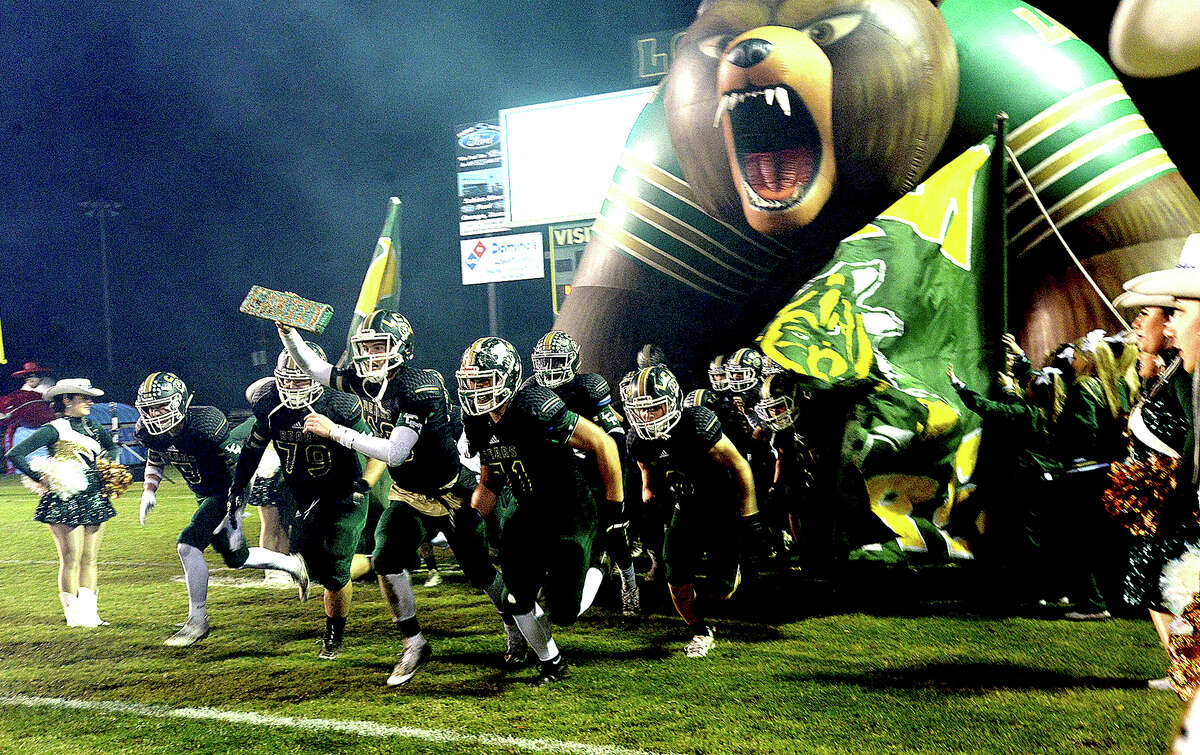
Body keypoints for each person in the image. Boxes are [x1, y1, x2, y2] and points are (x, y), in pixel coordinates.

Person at [278, 313, 525, 686]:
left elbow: (394, 452)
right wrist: (289, 334)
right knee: (387, 559)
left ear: (402, 349)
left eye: (380, 346)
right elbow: (315, 368)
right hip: (408, 493)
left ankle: (515, 628)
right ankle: (414, 643)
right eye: (367, 347)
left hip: (449, 492)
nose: (371, 355)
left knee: (479, 571)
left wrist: (336, 431)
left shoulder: (419, 387)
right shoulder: (364, 381)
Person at [457, 336, 623, 685]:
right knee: (516, 594)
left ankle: (598, 565)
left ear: (508, 377)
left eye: (484, 380)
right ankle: (552, 661)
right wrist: (473, 517)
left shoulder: (534, 406)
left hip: (569, 510)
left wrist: (615, 510)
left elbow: (603, 443)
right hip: (529, 511)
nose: (475, 390)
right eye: (471, 382)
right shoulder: (478, 422)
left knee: (565, 612)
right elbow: (489, 482)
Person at [228, 341, 387, 660]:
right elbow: (253, 449)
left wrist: (365, 483)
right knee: (317, 567)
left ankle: (333, 635)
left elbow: (378, 448)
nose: (292, 387)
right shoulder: (270, 402)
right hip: (303, 495)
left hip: (344, 493)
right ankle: (373, 561)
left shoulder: (339, 404)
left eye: (301, 380)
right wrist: (238, 486)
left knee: (333, 570)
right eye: (286, 380)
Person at [133, 372, 310, 646]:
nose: (154, 415)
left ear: (180, 402)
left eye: (161, 406)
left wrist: (235, 506)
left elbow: (238, 466)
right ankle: (291, 563)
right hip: (203, 494)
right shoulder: (147, 432)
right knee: (236, 558)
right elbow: (155, 457)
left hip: (228, 489)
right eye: (149, 409)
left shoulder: (205, 423)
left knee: (188, 546)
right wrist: (148, 490)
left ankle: (197, 622)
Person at [625, 365, 763, 658]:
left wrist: (749, 514)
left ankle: (734, 575)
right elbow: (646, 467)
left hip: (721, 507)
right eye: (642, 411)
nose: (648, 417)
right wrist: (648, 492)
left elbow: (739, 465)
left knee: (723, 590)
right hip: (685, 506)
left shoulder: (696, 425)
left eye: (656, 408)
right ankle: (701, 631)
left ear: (673, 402)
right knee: (675, 576)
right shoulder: (638, 439)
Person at [1108, 289, 1191, 690]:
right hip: (1158, 500)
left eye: (1147, 314)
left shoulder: (1186, 372)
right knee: (1156, 583)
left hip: (1178, 502)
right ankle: (1182, 665)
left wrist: (1167, 484)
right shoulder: (1171, 369)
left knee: (1175, 585)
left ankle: (1188, 666)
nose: (1137, 324)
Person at [529, 330, 640, 615]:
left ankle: (629, 584)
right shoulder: (532, 389)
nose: (549, 370)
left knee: (613, 533)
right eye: (545, 362)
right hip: (559, 475)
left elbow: (614, 437)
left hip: (596, 470)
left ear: (573, 362)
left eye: (556, 362)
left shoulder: (587, 388)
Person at [5, 378, 119, 627]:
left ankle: (91, 615)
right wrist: (41, 477)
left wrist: (109, 465)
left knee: (90, 558)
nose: (90, 402)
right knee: (71, 558)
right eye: (84, 397)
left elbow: (113, 448)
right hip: (64, 497)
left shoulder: (93, 427)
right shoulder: (54, 428)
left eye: (90, 397)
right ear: (67, 399)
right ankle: (74, 616)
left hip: (94, 495)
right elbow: (15, 454)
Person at [1, 361, 56, 473]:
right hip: (26, 428)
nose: (29, 379)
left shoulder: (51, 391)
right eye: (26, 377)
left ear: (40, 376)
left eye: (33, 376)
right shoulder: (22, 394)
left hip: (48, 426)